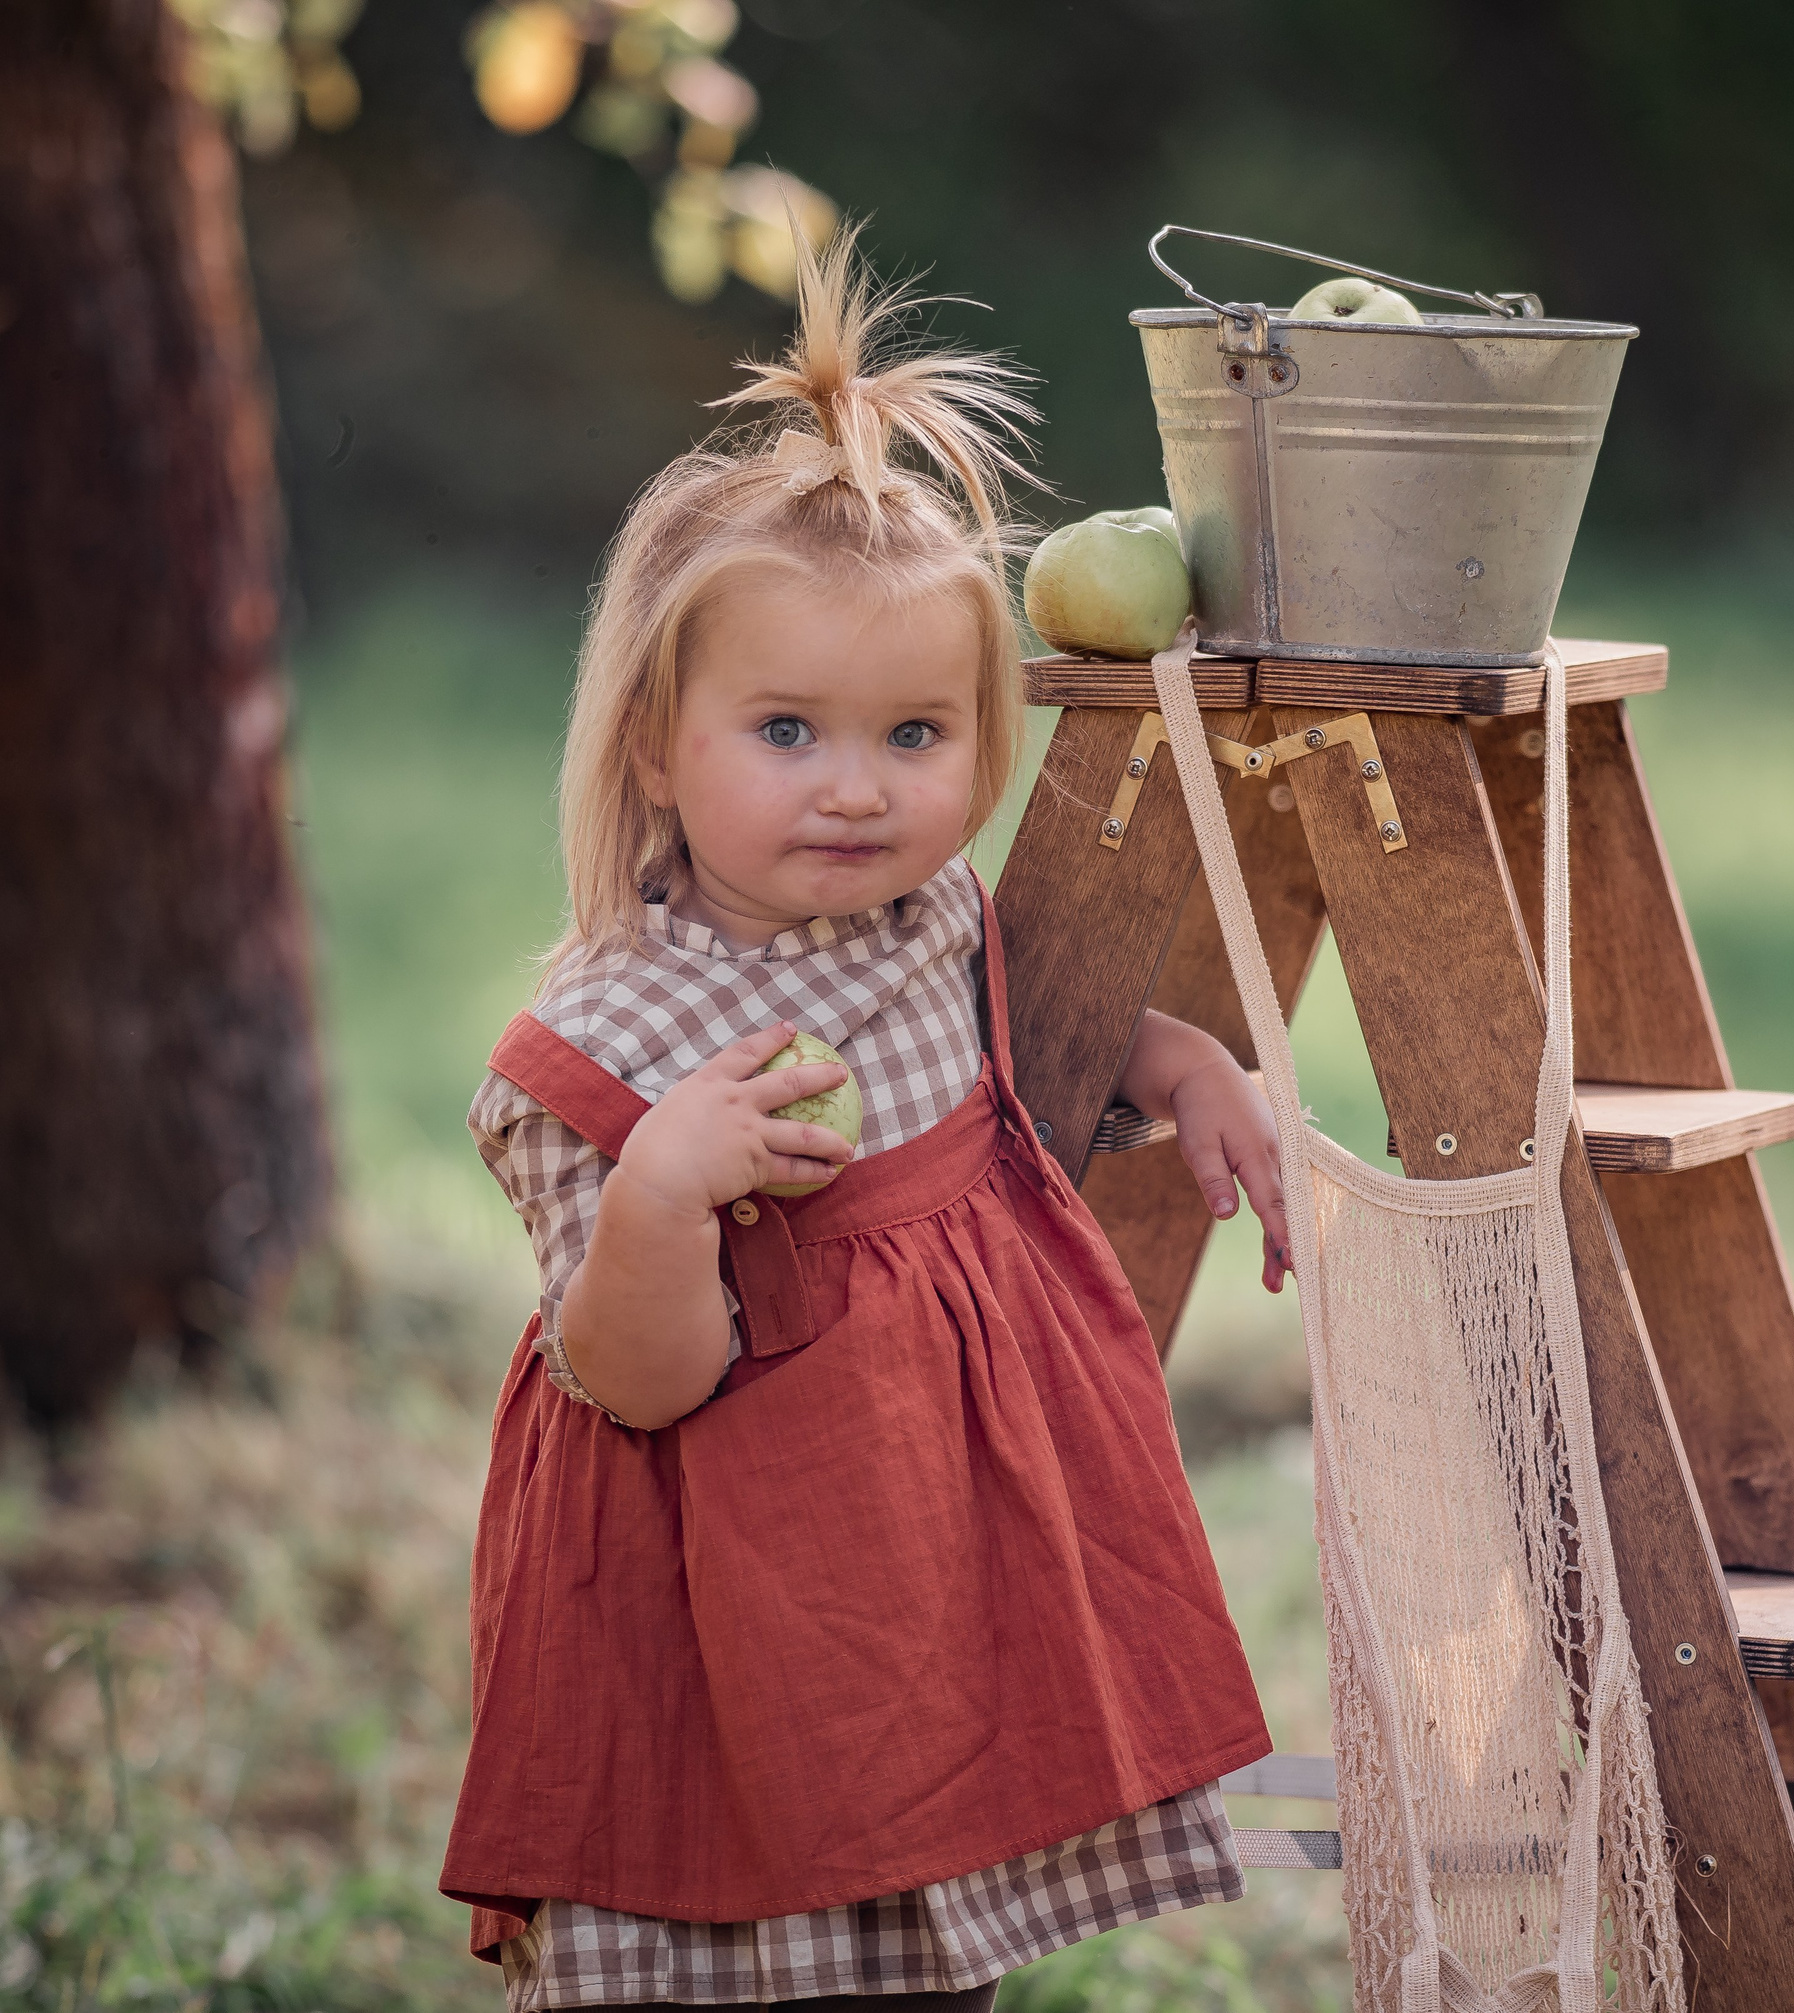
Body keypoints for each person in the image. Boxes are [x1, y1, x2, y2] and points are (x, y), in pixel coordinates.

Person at [440, 228, 1284, 2012]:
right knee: (738, 1931)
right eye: (787, 729)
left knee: (916, 1938)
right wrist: (667, 1191)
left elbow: (1008, 1026)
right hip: (723, 1604)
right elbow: (635, 1377)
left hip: (918, 1571)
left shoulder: (928, 916)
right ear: (658, 744)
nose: (857, 784)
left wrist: (1172, 1059)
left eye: (916, 731)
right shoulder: (602, 1048)